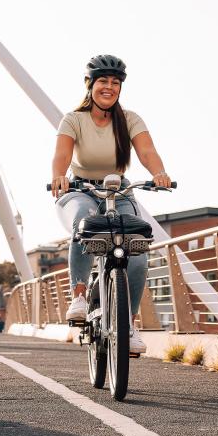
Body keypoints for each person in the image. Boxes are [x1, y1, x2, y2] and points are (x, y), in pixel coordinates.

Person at [50, 54, 172, 354]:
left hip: (120, 192)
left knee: (139, 252)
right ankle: (79, 296)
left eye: (115, 83)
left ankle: (128, 325)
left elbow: (147, 151)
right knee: (84, 222)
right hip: (80, 189)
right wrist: (58, 177)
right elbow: (62, 156)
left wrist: (158, 173)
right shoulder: (74, 119)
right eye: (103, 81)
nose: (109, 87)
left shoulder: (129, 119)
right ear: (90, 85)